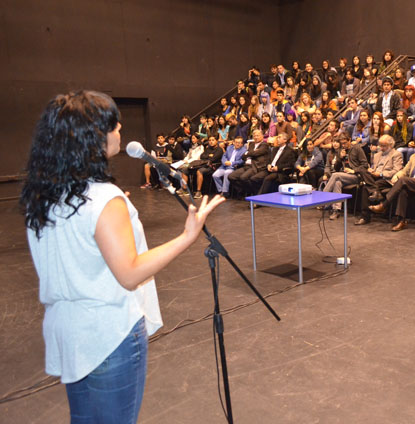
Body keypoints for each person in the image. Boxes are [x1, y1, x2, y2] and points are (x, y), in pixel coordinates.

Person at [20, 90, 225, 424]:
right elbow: (129, 274)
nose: (119, 131)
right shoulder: (104, 199)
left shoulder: (45, 197)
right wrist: (187, 237)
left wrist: (112, 213)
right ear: (93, 137)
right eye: (114, 126)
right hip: (109, 335)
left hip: (68, 332)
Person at [368, 134, 415, 231]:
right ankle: (401, 221)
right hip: (413, 182)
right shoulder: (414, 156)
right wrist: (397, 175)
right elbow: (404, 171)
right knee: (403, 190)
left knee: (403, 181)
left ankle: (384, 205)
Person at [355, 135, 403, 225]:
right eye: (380, 145)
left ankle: (365, 217)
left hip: (386, 179)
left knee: (366, 187)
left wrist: (381, 174)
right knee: (362, 170)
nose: (381, 148)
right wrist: (371, 170)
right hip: (374, 176)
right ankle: (375, 191)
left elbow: (396, 170)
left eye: (384, 146)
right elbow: (374, 167)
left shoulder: (396, 154)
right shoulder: (377, 155)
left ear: (391, 145)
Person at [323, 133, 369, 220]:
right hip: (344, 176)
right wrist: (340, 158)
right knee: (337, 183)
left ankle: (323, 196)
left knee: (335, 175)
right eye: (342, 144)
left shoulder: (357, 149)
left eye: (345, 143)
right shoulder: (341, 150)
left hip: (356, 176)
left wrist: (353, 170)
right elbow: (336, 168)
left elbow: (365, 165)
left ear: (349, 140)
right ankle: (336, 210)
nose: (343, 145)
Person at [228, 129, 270, 195]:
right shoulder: (251, 144)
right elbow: (243, 156)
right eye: (254, 136)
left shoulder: (264, 145)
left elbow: (255, 153)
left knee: (243, 178)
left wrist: (249, 153)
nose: (256, 137)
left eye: (258, 135)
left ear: (262, 136)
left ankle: (252, 192)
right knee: (231, 176)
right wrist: (250, 153)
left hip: (255, 166)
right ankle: (243, 190)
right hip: (246, 165)